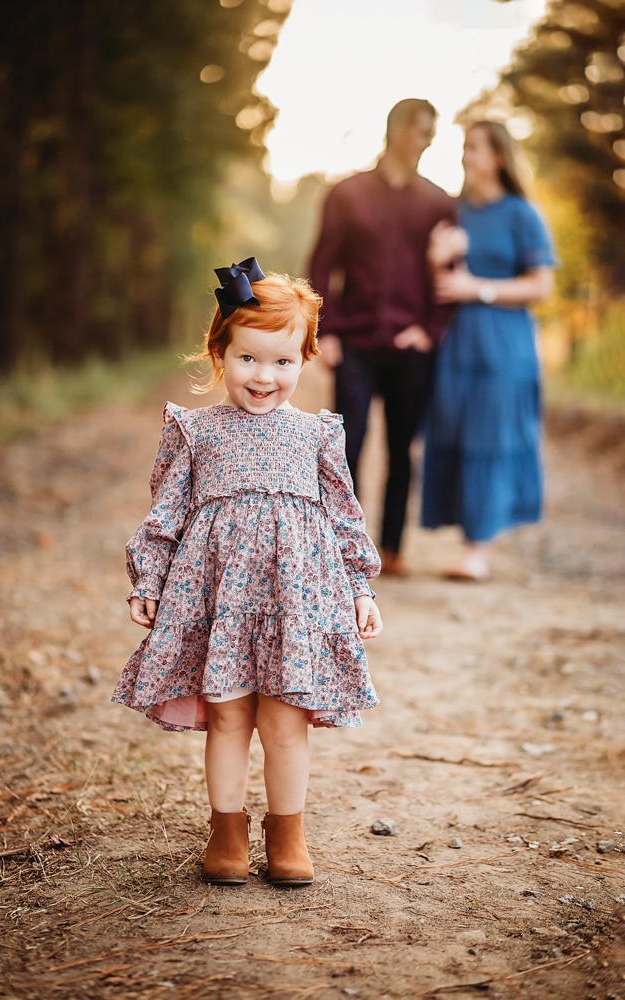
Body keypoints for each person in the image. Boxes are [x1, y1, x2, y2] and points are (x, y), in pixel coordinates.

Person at [112, 258, 382, 888]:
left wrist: (360, 588)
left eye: (283, 362)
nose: (265, 377)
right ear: (220, 352)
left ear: (306, 359)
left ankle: (287, 831)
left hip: (295, 603)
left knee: (286, 720)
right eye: (249, 359)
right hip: (220, 602)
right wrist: (147, 580)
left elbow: (345, 520)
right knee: (230, 717)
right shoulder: (194, 430)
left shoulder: (317, 434)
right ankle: (226, 828)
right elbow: (166, 513)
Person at [309, 98, 456, 576]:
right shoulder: (346, 194)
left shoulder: (439, 202)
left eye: (432, 132)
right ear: (397, 130)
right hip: (354, 341)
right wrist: (323, 331)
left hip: (411, 347)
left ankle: (392, 550)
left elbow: (448, 273)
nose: (428, 139)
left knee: (401, 449)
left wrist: (431, 330)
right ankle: (342, 550)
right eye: (422, 130)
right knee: (347, 448)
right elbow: (322, 263)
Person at [421, 121, 555, 581]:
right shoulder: (453, 212)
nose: (465, 155)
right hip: (457, 343)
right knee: (457, 431)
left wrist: (478, 288)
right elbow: (435, 283)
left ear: (498, 156)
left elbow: (542, 284)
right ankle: (468, 540)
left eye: (474, 148)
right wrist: (436, 259)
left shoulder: (523, 213)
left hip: (505, 343)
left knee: (490, 435)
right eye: (463, 147)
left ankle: (478, 549)